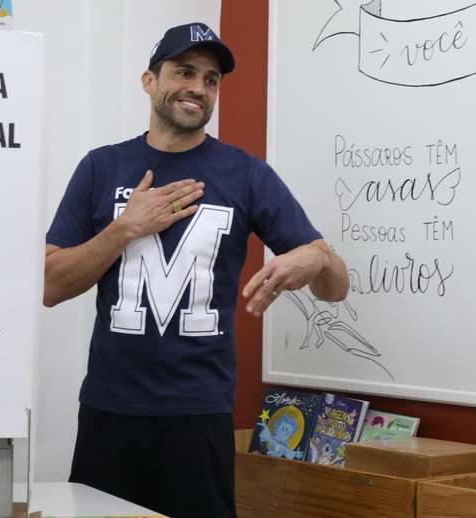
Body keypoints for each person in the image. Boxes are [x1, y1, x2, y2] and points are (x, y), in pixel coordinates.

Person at [43, 22, 348, 518]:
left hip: (198, 413)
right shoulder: (101, 167)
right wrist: (125, 229)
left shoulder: (246, 173)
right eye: (184, 71)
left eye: (211, 79)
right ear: (149, 80)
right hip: (109, 408)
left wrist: (318, 257)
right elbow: (49, 285)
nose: (198, 88)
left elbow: (335, 290)